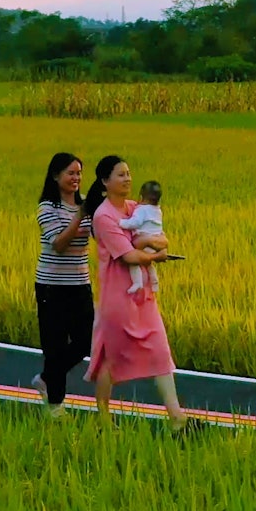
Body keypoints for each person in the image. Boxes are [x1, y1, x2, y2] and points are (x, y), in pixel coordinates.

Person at [84, 155, 195, 432]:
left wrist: (151, 243)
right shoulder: (104, 216)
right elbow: (129, 256)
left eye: (129, 173)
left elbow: (161, 236)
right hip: (119, 298)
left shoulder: (135, 208)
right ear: (104, 182)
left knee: (159, 350)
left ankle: (177, 418)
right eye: (120, 175)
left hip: (142, 294)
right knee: (112, 357)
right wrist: (154, 251)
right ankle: (104, 419)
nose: (128, 179)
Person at [32, 152, 92, 417]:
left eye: (79, 173)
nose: (76, 178)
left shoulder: (86, 206)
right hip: (51, 287)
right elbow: (58, 244)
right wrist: (80, 215)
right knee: (54, 345)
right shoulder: (48, 208)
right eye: (70, 173)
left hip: (80, 284)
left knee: (85, 342)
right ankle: (55, 406)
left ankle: (46, 378)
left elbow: (107, 234)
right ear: (56, 176)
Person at [119, 179, 169, 294]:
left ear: (141, 197)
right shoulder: (157, 210)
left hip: (143, 241)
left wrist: (121, 223)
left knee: (134, 262)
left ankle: (137, 282)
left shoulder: (141, 209)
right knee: (148, 263)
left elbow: (135, 223)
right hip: (156, 243)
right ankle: (155, 282)